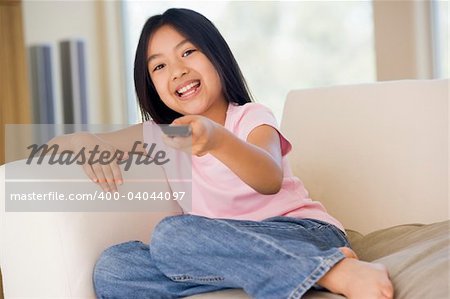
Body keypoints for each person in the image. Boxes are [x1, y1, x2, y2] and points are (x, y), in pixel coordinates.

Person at [49, 8, 393, 299]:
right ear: (150, 84)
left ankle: (330, 270)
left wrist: (217, 140)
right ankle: (272, 272)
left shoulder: (250, 116)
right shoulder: (161, 136)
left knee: (172, 235)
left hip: (301, 233)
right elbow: (54, 147)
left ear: (216, 56)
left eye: (187, 52)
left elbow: (269, 176)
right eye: (159, 66)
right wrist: (81, 140)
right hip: (225, 251)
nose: (178, 71)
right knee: (114, 267)